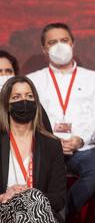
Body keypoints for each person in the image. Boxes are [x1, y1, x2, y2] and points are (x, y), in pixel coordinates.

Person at [27, 22, 95, 217]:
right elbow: (29, 119)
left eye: (64, 40)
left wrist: (80, 139)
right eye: (52, 42)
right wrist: (51, 140)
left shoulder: (93, 78)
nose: (59, 46)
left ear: (73, 43)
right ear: (44, 49)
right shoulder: (32, 80)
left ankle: (59, 214)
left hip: (83, 147)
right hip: (45, 146)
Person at [0, 76, 66, 223]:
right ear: (6, 104)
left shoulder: (52, 145)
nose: (24, 101)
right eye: (16, 97)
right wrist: (5, 196)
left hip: (40, 213)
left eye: (29, 96)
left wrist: (30, 195)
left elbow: (59, 198)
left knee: (33, 199)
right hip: (3, 211)